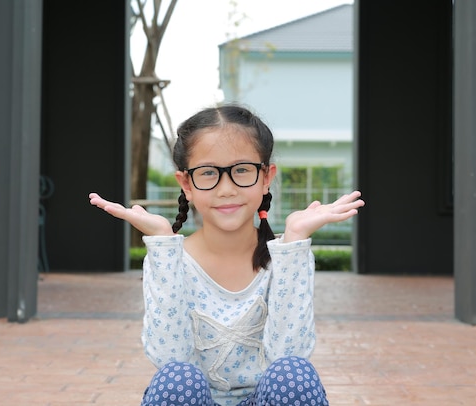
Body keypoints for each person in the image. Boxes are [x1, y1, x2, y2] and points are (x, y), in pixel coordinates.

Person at [89, 104, 364, 406]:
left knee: (294, 373)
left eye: (241, 170)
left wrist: (295, 240)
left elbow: (290, 356)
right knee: (176, 379)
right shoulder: (170, 259)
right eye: (208, 173)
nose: (226, 188)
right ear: (186, 184)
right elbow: (169, 359)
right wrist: (162, 243)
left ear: (265, 177)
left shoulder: (287, 256)